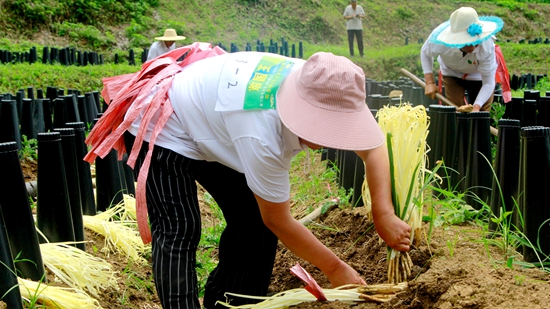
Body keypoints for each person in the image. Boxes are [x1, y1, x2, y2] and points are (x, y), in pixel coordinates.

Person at [85, 44, 411, 309]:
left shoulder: (331, 84)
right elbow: (279, 220)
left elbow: (373, 147)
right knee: (179, 229)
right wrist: (336, 269)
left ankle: (230, 303)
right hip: (165, 122)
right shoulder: (260, 133)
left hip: (215, 123)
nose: (330, 136)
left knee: (252, 225)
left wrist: (383, 214)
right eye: (322, 126)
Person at [421, 7, 504, 112]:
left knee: (482, 113)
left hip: (478, 75)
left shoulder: (486, 44)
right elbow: (425, 53)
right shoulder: (439, 40)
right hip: (452, 72)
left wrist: (477, 106)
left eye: (474, 41)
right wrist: (429, 83)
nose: (472, 46)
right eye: (466, 42)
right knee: (454, 110)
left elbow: (488, 83)